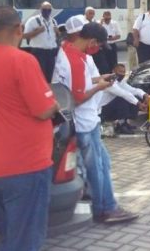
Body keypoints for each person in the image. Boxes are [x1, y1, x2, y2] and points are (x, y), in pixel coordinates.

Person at [0, 6, 59, 250]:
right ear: (19, 29)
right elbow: (43, 109)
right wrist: (54, 105)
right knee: (25, 242)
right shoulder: (23, 60)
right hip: (25, 166)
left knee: (10, 237)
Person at [53, 17, 138, 224]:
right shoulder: (73, 59)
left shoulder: (70, 51)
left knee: (103, 164)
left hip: (88, 120)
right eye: (98, 45)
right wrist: (99, 86)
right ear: (91, 41)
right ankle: (105, 209)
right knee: (97, 168)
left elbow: (78, 83)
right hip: (84, 122)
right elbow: (78, 97)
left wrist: (99, 79)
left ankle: (107, 205)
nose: (98, 49)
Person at [100, 63, 149, 135]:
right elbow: (123, 94)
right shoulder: (109, 82)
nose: (122, 74)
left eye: (123, 72)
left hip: (109, 108)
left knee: (134, 97)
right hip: (102, 111)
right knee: (123, 99)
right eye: (120, 71)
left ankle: (125, 122)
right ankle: (121, 125)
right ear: (113, 71)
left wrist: (145, 95)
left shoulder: (120, 82)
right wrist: (139, 104)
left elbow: (133, 90)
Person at [23, 1, 59, 82]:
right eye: (44, 9)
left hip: (51, 52)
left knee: (49, 76)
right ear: (40, 9)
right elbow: (24, 36)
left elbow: (56, 37)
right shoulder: (33, 20)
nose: (47, 12)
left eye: (49, 10)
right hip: (39, 52)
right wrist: (37, 31)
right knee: (39, 76)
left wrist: (57, 32)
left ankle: (47, 92)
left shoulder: (53, 21)